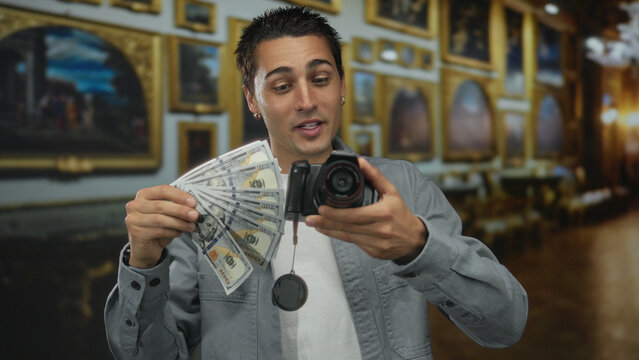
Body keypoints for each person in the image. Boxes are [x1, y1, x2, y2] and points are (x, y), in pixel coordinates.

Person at [105, 6, 527, 360]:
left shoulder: (402, 187)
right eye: (283, 86)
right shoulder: (200, 207)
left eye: (321, 79)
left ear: (342, 86)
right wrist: (144, 263)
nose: (307, 100)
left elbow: (505, 323)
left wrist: (419, 245)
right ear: (253, 99)